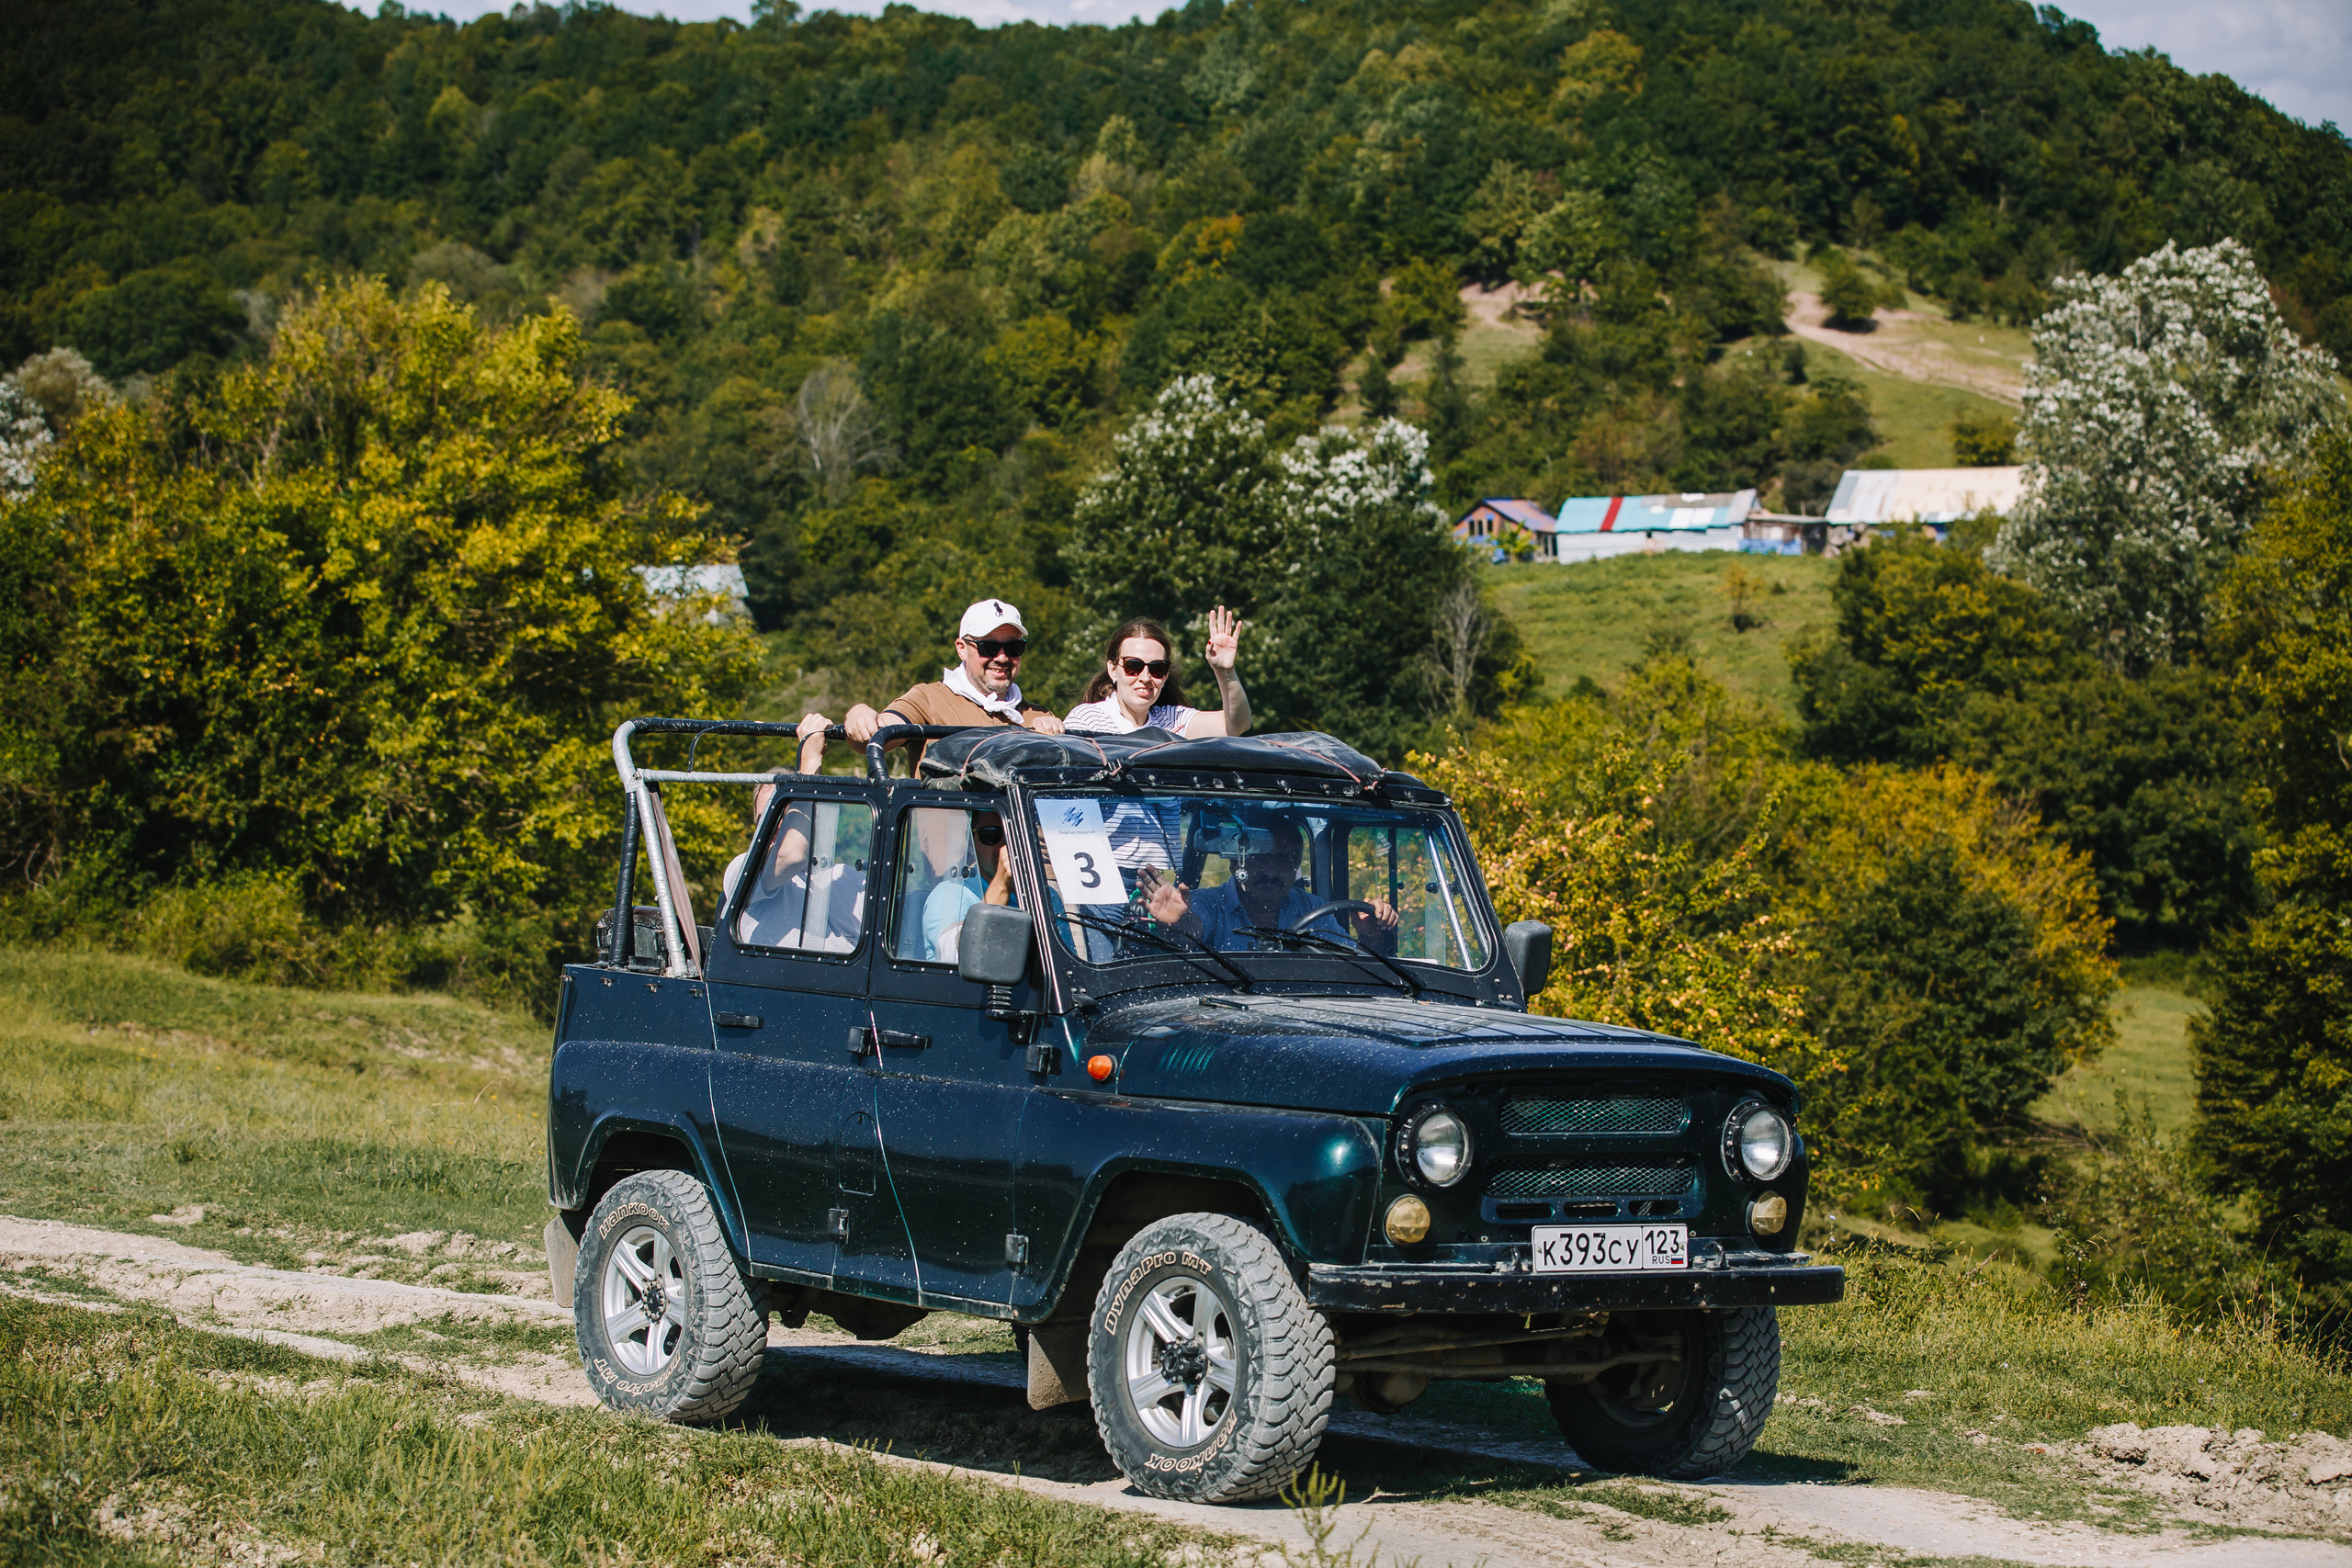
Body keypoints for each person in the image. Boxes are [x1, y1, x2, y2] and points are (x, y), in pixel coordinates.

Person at [1139, 810, 1397, 954]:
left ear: (1297, 865)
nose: (1272, 871)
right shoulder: (1209, 903)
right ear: (1235, 862)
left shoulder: (1312, 909)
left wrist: (1370, 936)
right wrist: (1179, 923)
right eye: (1260, 858)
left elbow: (1351, 966)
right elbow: (1191, 933)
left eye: (1285, 860)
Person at [843, 599, 1066, 761]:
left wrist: (1056, 739)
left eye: (1013, 647)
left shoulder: (1040, 717)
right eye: (987, 646)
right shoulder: (928, 699)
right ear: (961, 649)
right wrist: (859, 714)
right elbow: (873, 739)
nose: (1001, 657)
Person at [724, 716, 866, 952]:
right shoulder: (742, 870)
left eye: (785, 814)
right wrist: (810, 758)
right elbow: (790, 855)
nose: (777, 826)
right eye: (766, 818)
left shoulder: (848, 878)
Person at [1063, 609, 1251, 739]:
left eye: (1157, 668)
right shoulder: (1087, 720)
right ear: (1113, 670)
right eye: (1133, 666)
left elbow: (1236, 725)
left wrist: (1225, 670)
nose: (1145, 678)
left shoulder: (1172, 720)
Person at [921, 810, 1015, 963]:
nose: (1004, 846)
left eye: (1013, 835)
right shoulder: (950, 895)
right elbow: (956, 955)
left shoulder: (1042, 895)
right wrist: (1001, 885)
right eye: (991, 834)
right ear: (971, 842)